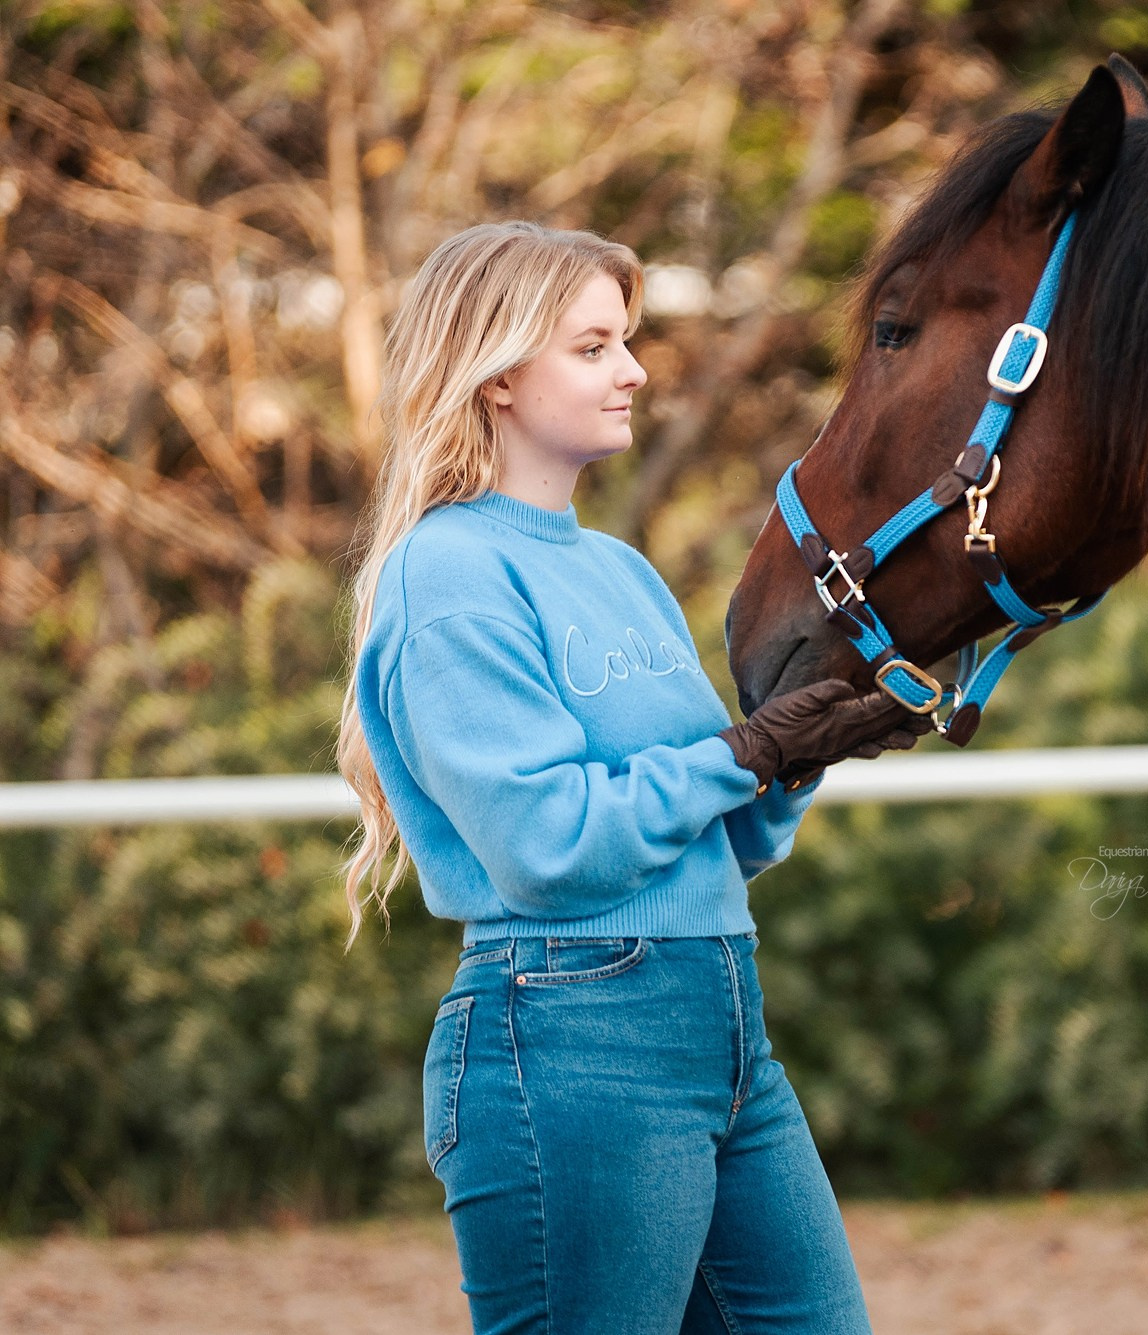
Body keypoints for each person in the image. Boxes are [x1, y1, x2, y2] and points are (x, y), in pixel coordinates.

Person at [335, 220, 919, 1333]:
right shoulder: (449, 574)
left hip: (725, 1028)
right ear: (498, 375)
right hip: (569, 1036)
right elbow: (546, 846)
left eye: (626, 340)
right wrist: (744, 753)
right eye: (593, 346)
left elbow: (732, 840)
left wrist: (799, 758)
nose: (635, 369)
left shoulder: (620, 571)